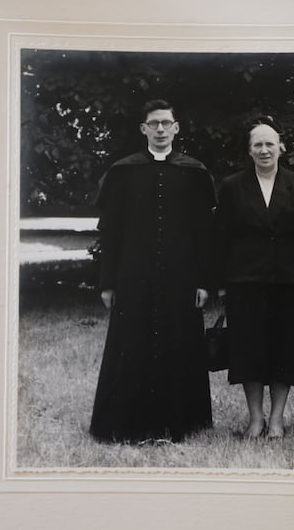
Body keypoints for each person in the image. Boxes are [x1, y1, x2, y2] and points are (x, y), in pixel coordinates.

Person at [89, 99, 216, 444]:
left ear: (176, 128)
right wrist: (108, 282)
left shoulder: (194, 172)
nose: (160, 129)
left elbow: (204, 232)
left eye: (166, 123)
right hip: (133, 275)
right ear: (143, 129)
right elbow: (111, 232)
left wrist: (205, 281)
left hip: (182, 276)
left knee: (178, 343)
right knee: (132, 344)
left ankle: (180, 422)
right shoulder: (123, 171)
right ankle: (127, 421)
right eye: (153, 123)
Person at [215, 116, 294, 440]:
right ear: (250, 150)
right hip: (246, 281)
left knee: (284, 349)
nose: (265, 149)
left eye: (270, 143)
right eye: (258, 144)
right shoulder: (231, 186)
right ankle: (255, 418)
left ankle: (277, 419)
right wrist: (222, 282)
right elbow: (222, 235)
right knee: (249, 350)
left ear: (281, 147)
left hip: (290, 281)